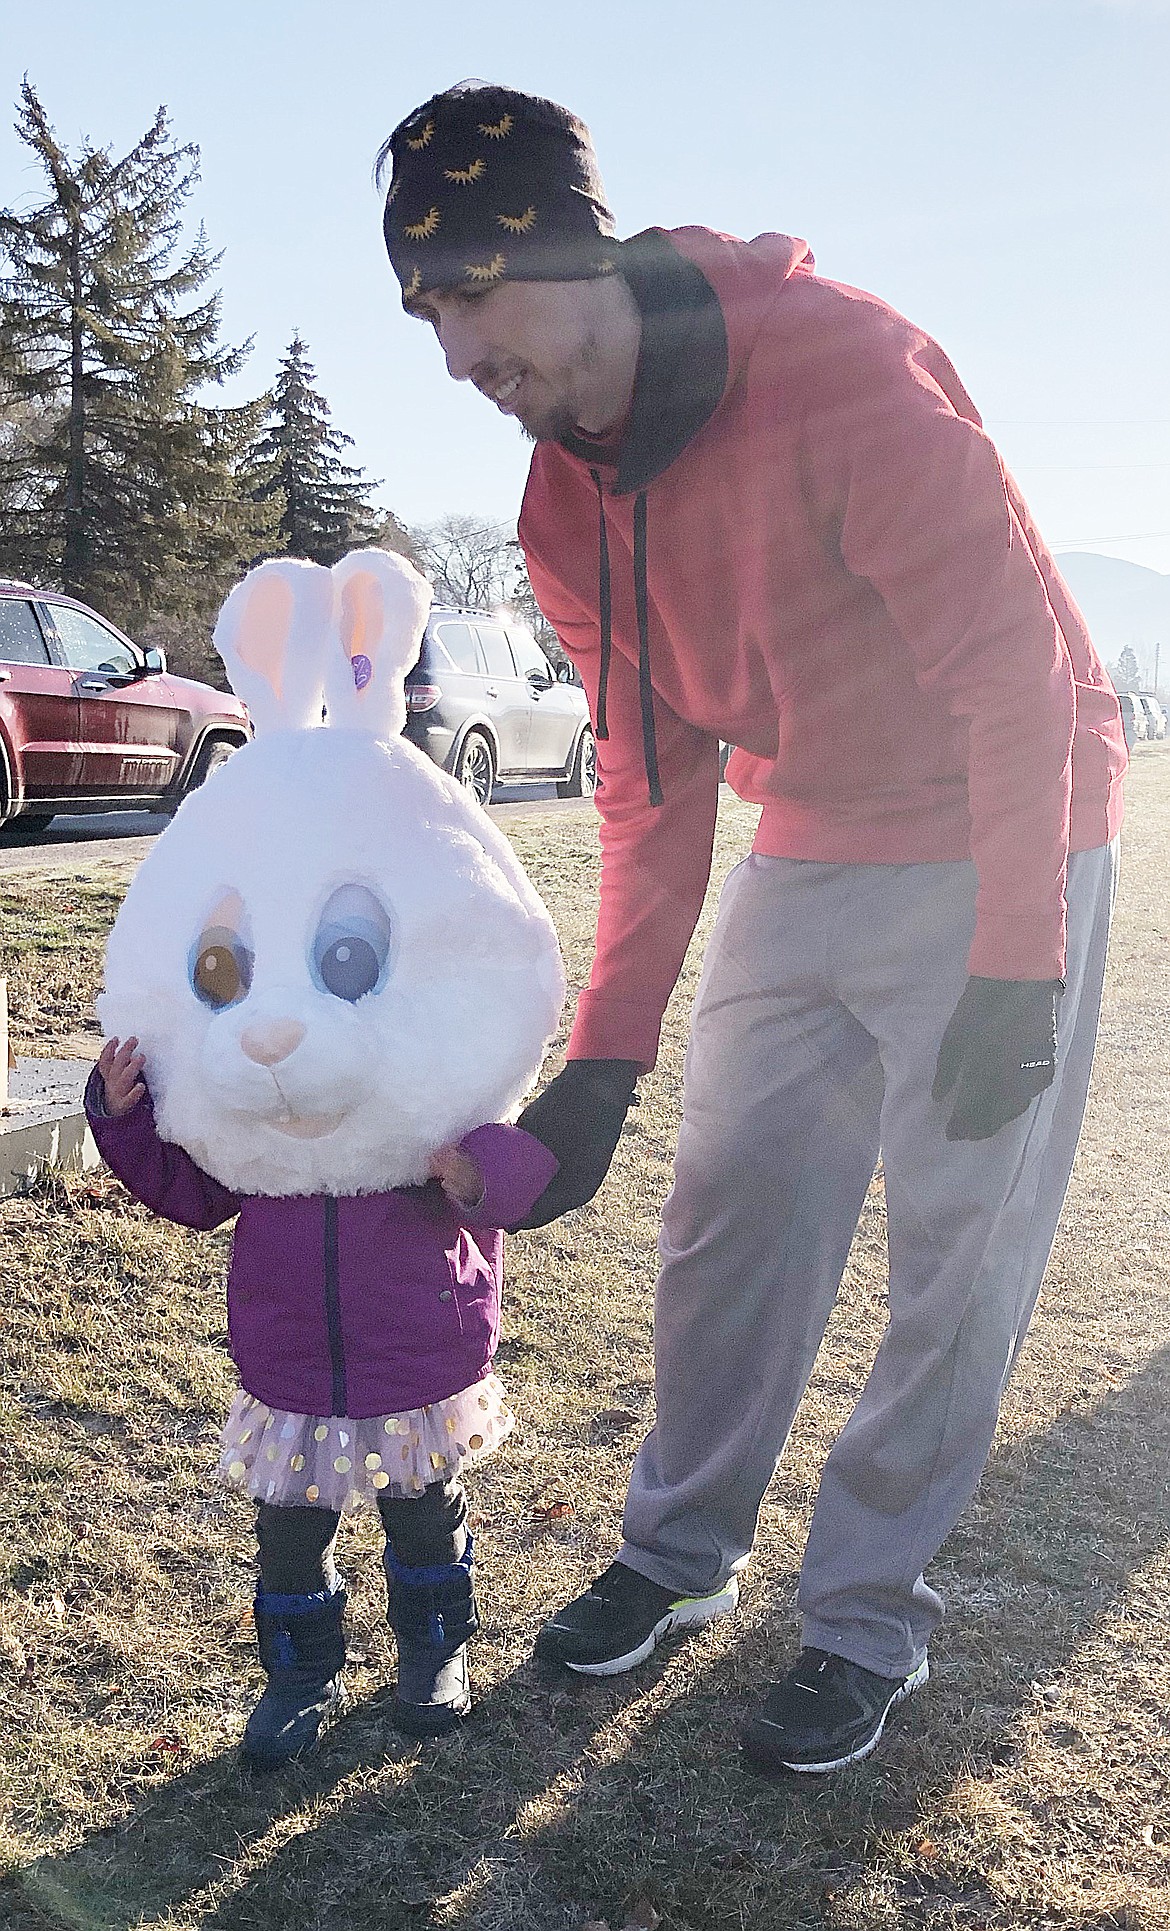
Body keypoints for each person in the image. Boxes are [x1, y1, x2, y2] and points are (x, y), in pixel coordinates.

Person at [378, 80, 1127, 1775]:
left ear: (561, 254)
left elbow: (1015, 688)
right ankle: (676, 1555)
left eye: (466, 304)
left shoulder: (844, 367)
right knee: (729, 1213)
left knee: (953, 1253)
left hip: (1006, 827)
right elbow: (651, 787)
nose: (453, 363)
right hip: (814, 841)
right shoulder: (561, 508)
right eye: (424, 320)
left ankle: (865, 1622)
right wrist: (603, 1068)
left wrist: (1021, 955)